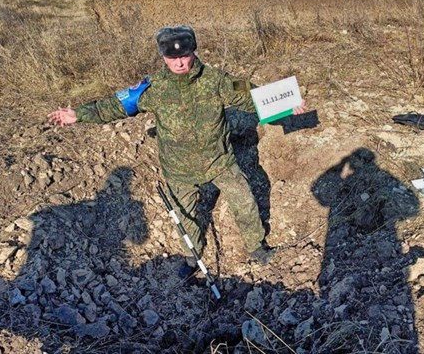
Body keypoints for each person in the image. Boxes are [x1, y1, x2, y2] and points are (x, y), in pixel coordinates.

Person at [48, 25, 307, 278]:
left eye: (184, 55)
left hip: (219, 161)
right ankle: (191, 256)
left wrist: (286, 104)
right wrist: (78, 114)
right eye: (173, 58)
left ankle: (256, 247)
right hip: (178, 170)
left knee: (245, 202)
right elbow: (114, 106)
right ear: (163, 57)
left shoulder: (217, 80)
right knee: (185, 215)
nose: (180, 63)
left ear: (193, 51)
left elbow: (251, 93)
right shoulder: (153, 87)